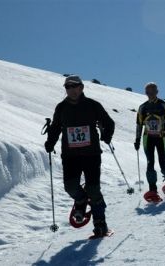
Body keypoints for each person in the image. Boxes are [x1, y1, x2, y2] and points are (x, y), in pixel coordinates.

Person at [44, 75, 115, 237]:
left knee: (94, 189)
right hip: (70, 155)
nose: (71, 90)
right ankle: (81, 200)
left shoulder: (92, 105)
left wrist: (107, 135)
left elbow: (109, 123)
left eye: (74, 86)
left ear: (81, 87)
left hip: (91, 154)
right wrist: (50, 142)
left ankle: (100, 224)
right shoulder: (61, 107)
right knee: (70, 187)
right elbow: (55, 127)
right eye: (68, 87)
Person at [134, 82, 165, 202]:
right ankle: (152, 189)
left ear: (157, 92)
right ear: (146, 93)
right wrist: (137, 139)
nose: (150, 94)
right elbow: (139, 124)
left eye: (153, 91)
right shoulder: (142, 107)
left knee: (163, 164)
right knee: (150, 164)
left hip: (161, 137)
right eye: (148, 92)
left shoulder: (164, 105)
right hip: (148, 138)